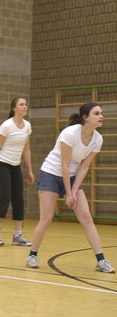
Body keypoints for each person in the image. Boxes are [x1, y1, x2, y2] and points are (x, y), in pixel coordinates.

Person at [26, 102, 115, 273]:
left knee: (87, 218)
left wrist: (74, 191)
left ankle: (101, 260)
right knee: (47, 218)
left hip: (72, 176)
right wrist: (68, 193)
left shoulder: (98, 139)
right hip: (51, 173)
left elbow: (84, 166)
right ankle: (32, 255)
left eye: (101, 113)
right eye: (97, 113)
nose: (101, 116)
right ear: (85, 117)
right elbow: (64, 165)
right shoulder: (69, 133)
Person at [0, 98, 34, 246]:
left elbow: (26, 149)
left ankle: (18, 235)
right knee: (5, 197)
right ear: (14, 108)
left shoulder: (27, 126)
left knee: (18, 199)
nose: (25, 106)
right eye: (21, 104)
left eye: (26, 104)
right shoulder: (7, 126)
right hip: (3, 164)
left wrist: (29, 170)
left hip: (16, 166)